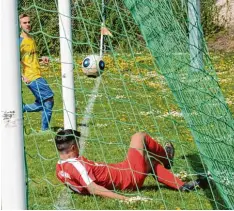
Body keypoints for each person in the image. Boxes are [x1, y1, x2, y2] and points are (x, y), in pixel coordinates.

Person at [55, 129, 204, 201]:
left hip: (123, 170)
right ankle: (167, 158)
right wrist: (125, 199)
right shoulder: (77, 166)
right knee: (139, 136)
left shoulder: (59, 168)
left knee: (150, 162)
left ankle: (181, 185)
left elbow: (79, 186)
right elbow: (93, 188)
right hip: (128, 176)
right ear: (73, 147)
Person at [19, 14, 54, 131]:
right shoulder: (19, 41)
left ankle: (21, 108)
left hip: (37, 74)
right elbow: (13, 61)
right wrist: (22, 76)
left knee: (44, 102)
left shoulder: (31, 38)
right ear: (19, 24)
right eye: (24, 22)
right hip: (31, 77)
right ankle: (45, 130)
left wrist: (41, 59)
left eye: (29, 22)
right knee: (49, 99)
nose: (28, 24)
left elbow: (28, 58)